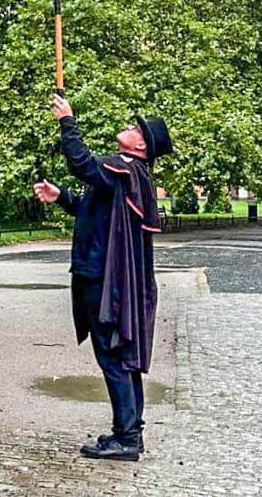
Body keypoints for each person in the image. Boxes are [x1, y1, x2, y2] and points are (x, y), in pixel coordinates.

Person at [33, 93, 173, 462]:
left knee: (113, 356)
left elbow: (82, 163)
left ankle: (126, 438)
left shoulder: (125, 168)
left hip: (104, 278)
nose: (127, 128)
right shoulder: (128, 175)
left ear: (141, 144)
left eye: (133, 128)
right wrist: (60, 197)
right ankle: (131, 432)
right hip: (108, 275)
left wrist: (67, 121)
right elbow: (91, 211)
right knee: (123, 356)